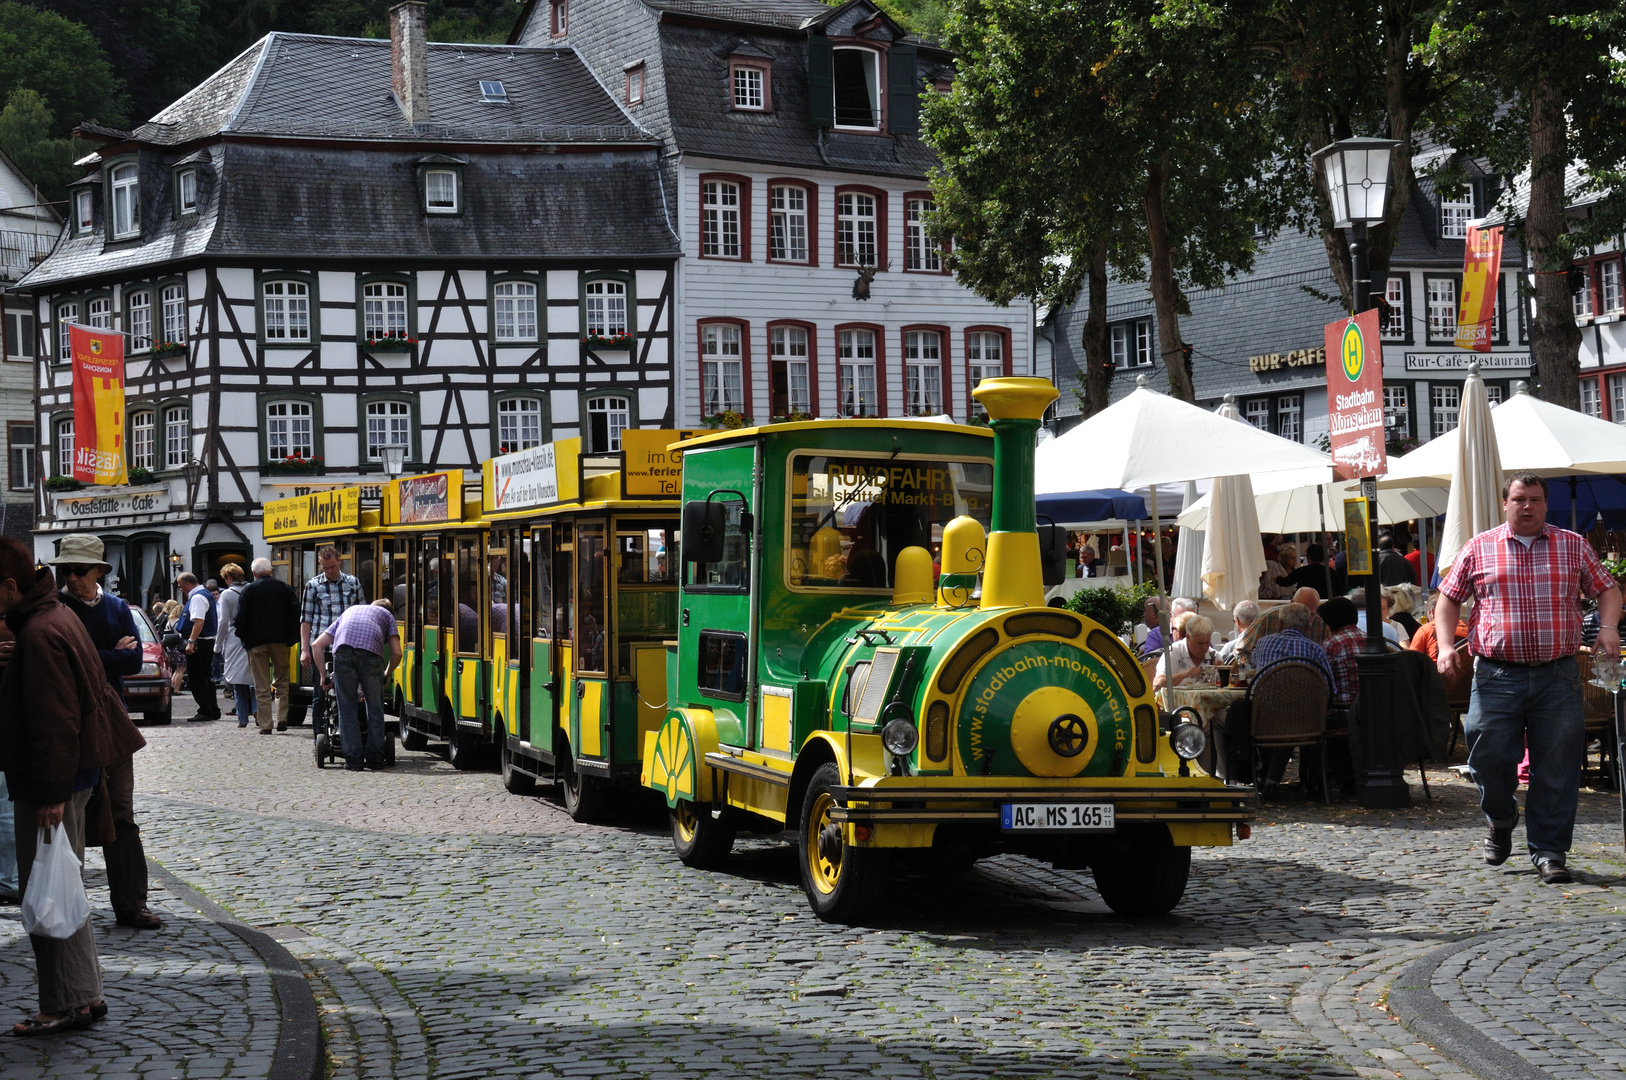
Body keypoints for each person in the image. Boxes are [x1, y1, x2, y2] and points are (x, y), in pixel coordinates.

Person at [1437, 472, 1621, 885]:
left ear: (1545, 503)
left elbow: (1608, 590)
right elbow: (1448, 598)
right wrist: (1447, 646)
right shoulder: (1479, 547)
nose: (1528, 506)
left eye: (1535, 499)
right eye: (1520, 499)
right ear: (1506, 503)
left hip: (1558, 675)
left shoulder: (1573, 546)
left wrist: (1607, 627)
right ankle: (1501, 818)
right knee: (1486, 756)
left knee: (1556, 766)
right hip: (1496, 675)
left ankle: (1550, 851)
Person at [0, 536, 146, 1035]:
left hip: (56, 785)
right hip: (74, 778)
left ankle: (62, 1004)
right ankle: (85, 995)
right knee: (63, 887)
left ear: (10, 587)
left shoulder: (42, 631)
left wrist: (50, 794)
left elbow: (55, 722)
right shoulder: (55, 618)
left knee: (46, 893)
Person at [48, 535, 162, 932]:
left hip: (111, 722)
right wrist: (106, 654)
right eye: (66, 570)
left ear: (100, 571)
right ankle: (66, 904)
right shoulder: (56, 608)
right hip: (69, 723)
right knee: (67, 817)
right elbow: (60, 657)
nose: (72, 577)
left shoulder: (115, 608)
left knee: (121, 815)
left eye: (79, 570)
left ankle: (131, 903)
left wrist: (95, 655)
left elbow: (134, 658)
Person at [311, 600, 402, 771]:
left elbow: (316, 645)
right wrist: (386, 674)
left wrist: (323, 676)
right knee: (375, 709)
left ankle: (353, 761)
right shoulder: (387, 615)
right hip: (371, 656)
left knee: (346, 710)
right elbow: (397, 653)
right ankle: (375, 758)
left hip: (343, 653)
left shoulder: (350, 611)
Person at [300, 546, 364, 728]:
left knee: (350, 694)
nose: (329, 571)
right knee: (320, 695)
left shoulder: (353, 583)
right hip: (322, 649)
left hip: (348, 647)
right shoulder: (313, 586)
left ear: (339, 562)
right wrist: (305, 650)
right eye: (325, 568)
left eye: (332, 567)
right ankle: (319, 737)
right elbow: (306, 619)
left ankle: (348, 734)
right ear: (320, 564)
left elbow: (362, 613)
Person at [237, 558, 300, 735]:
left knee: (261, 684)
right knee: (281, 681)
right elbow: (296, 613)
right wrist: (291, 638)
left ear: (254, 573)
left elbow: (239, 617)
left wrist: (245, 639)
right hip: (280, 640)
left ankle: (265, 724)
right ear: (271, 571)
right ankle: (282, 718)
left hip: (255, 642)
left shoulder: (248, 590)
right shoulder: (285, 588)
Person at [173, 571, 221, 721]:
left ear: (188, 584)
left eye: (181, 586)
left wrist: (191, 642)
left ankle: (206, 710)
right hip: (205, 641)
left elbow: (198, 621)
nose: (181, 589)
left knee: (198, 677)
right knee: (205, 676)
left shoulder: (198, 597)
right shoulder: (203, 594)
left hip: (200, 642)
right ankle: (212, 709)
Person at [1233, 588, 1329, 662]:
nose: (1305, 619)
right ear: (1292, 603)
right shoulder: (1267, 618)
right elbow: (1242, 650)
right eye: (1299, 611)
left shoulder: (1322, 625)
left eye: (1311, 614)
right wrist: (1254, 671)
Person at [215, 564, 255, 729]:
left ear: (229, 578)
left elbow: (224, 621)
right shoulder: (253, 590)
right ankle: (258, 710)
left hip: (234, 636)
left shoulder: (227, 595)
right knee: (254, 676)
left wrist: (217, 646)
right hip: (254, 636)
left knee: (237, 679)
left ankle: (242, 717)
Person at [1319, 597, 1363, 706]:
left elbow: (1322, 683)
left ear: (1329, 623)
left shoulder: (1332, 644)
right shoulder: (1370, 639)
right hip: (1371, 710)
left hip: (1342, 709)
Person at [1152, 614, 1214, 690]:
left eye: (1207, 643)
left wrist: (1224, 673)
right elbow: (1156, 684)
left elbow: (1229, 685)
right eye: (1200, 643)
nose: (1204, 648)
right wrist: (1183, 674)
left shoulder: (1213, 655)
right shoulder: (1173, 652)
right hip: (1175, 701)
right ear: (1188, 637)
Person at [1275, 543, 1342, 599]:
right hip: (1325, 604)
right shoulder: (1330, 572)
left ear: (1309, 557)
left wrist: (1276, 578)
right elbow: (1340, 590)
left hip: (1305, 603)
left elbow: (1286, 582)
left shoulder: (1302, 571)